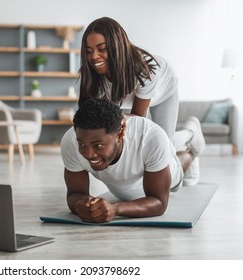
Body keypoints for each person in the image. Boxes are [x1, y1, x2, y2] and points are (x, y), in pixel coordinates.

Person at [60, 98, 205, 223]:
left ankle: (191, 144)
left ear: (121, 133)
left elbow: (159, 202)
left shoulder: (151, 138)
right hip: (125, 188)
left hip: (164, 167)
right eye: (82, 144)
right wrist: (82, 204)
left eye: (98, 145)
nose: (89, 154)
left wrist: (115, 208)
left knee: (178, 171)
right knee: (168, 144)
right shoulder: (70, 141)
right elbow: (74, 194)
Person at [79, 16, 179, 139]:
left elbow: (137, 119)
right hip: (133, 97)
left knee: (165, 142)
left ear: (117, 46)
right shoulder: (91, 73)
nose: (94, 56)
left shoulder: (145, 70)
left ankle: (191, 135)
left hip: (164, 90)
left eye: (102, 49)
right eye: (89, 51)